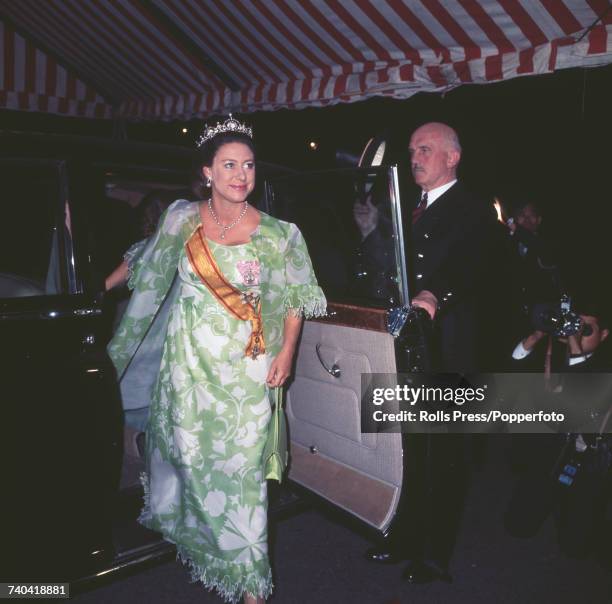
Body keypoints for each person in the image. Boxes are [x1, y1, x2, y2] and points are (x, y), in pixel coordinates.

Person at [107, 115, 326, 604]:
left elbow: (296, 297)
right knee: (195, 467)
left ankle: (250, 585)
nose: (240, 175)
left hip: (248, 373)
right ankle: (210, 551)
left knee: (244, 478)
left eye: (248, 166)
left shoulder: (279, 234)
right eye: (229, 165)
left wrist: (287, 351)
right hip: (187, 374)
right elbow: (147, 261)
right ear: (207, 171)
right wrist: (92, 295)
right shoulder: (181, 218)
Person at [366, 122, 501, 583]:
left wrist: (434, 294)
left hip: (449, 353)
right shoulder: (406, 210)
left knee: (442, 456)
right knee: (406, 451)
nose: (415, 158)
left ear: (452, 157)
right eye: (411, 151)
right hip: (406, 350)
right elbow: (385, 264)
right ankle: (405, 536)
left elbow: (473, 266)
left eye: (425, 149)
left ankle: (435, 555)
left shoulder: (475, 211)